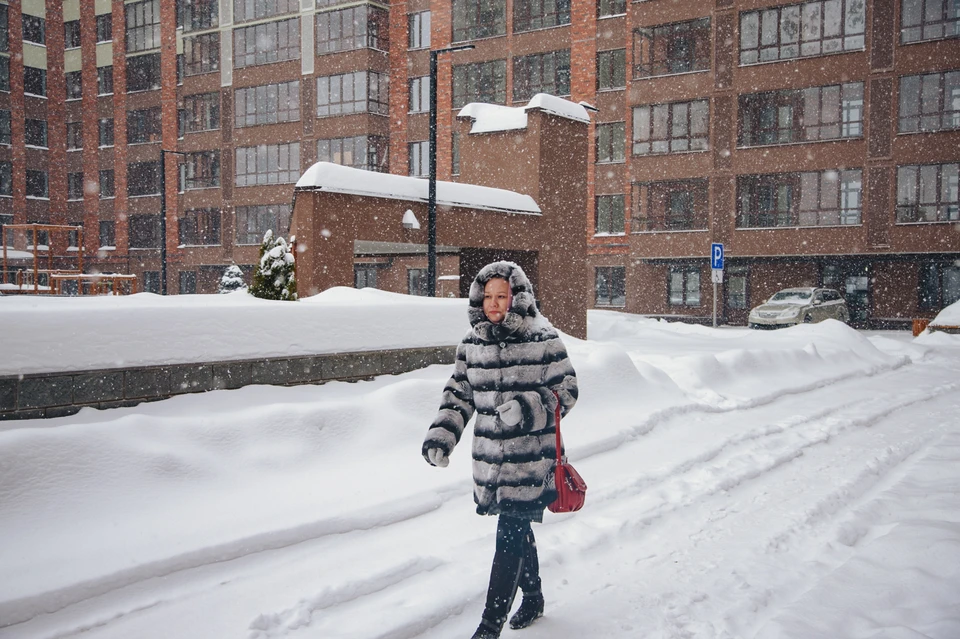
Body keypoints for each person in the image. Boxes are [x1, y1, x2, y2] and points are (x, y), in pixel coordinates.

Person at [422, 261, 578, 639]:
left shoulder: (543, 338)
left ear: (517, 297)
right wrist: (442, 436)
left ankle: (490, 627)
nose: (494, 304)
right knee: (516, 528)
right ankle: (535, 596)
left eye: (501, 296)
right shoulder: (472, 344)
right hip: (490, 462)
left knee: (509, 533)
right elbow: (459, 396)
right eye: (487, 296)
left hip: (531, 460)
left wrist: (527, 408)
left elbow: (568, 391)